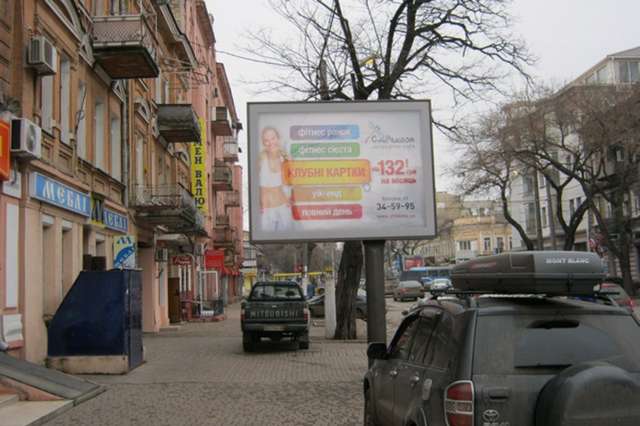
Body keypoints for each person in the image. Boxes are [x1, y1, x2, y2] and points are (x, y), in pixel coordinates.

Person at [259, 127, 292, 231]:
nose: (270, 143)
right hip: (267, 210)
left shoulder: (285, 159)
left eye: (273, 138)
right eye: (266, 140)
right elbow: (261, 188)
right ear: (263, 143)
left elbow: (291, 184)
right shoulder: (260, 160)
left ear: (278, 138)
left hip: (284, 208)